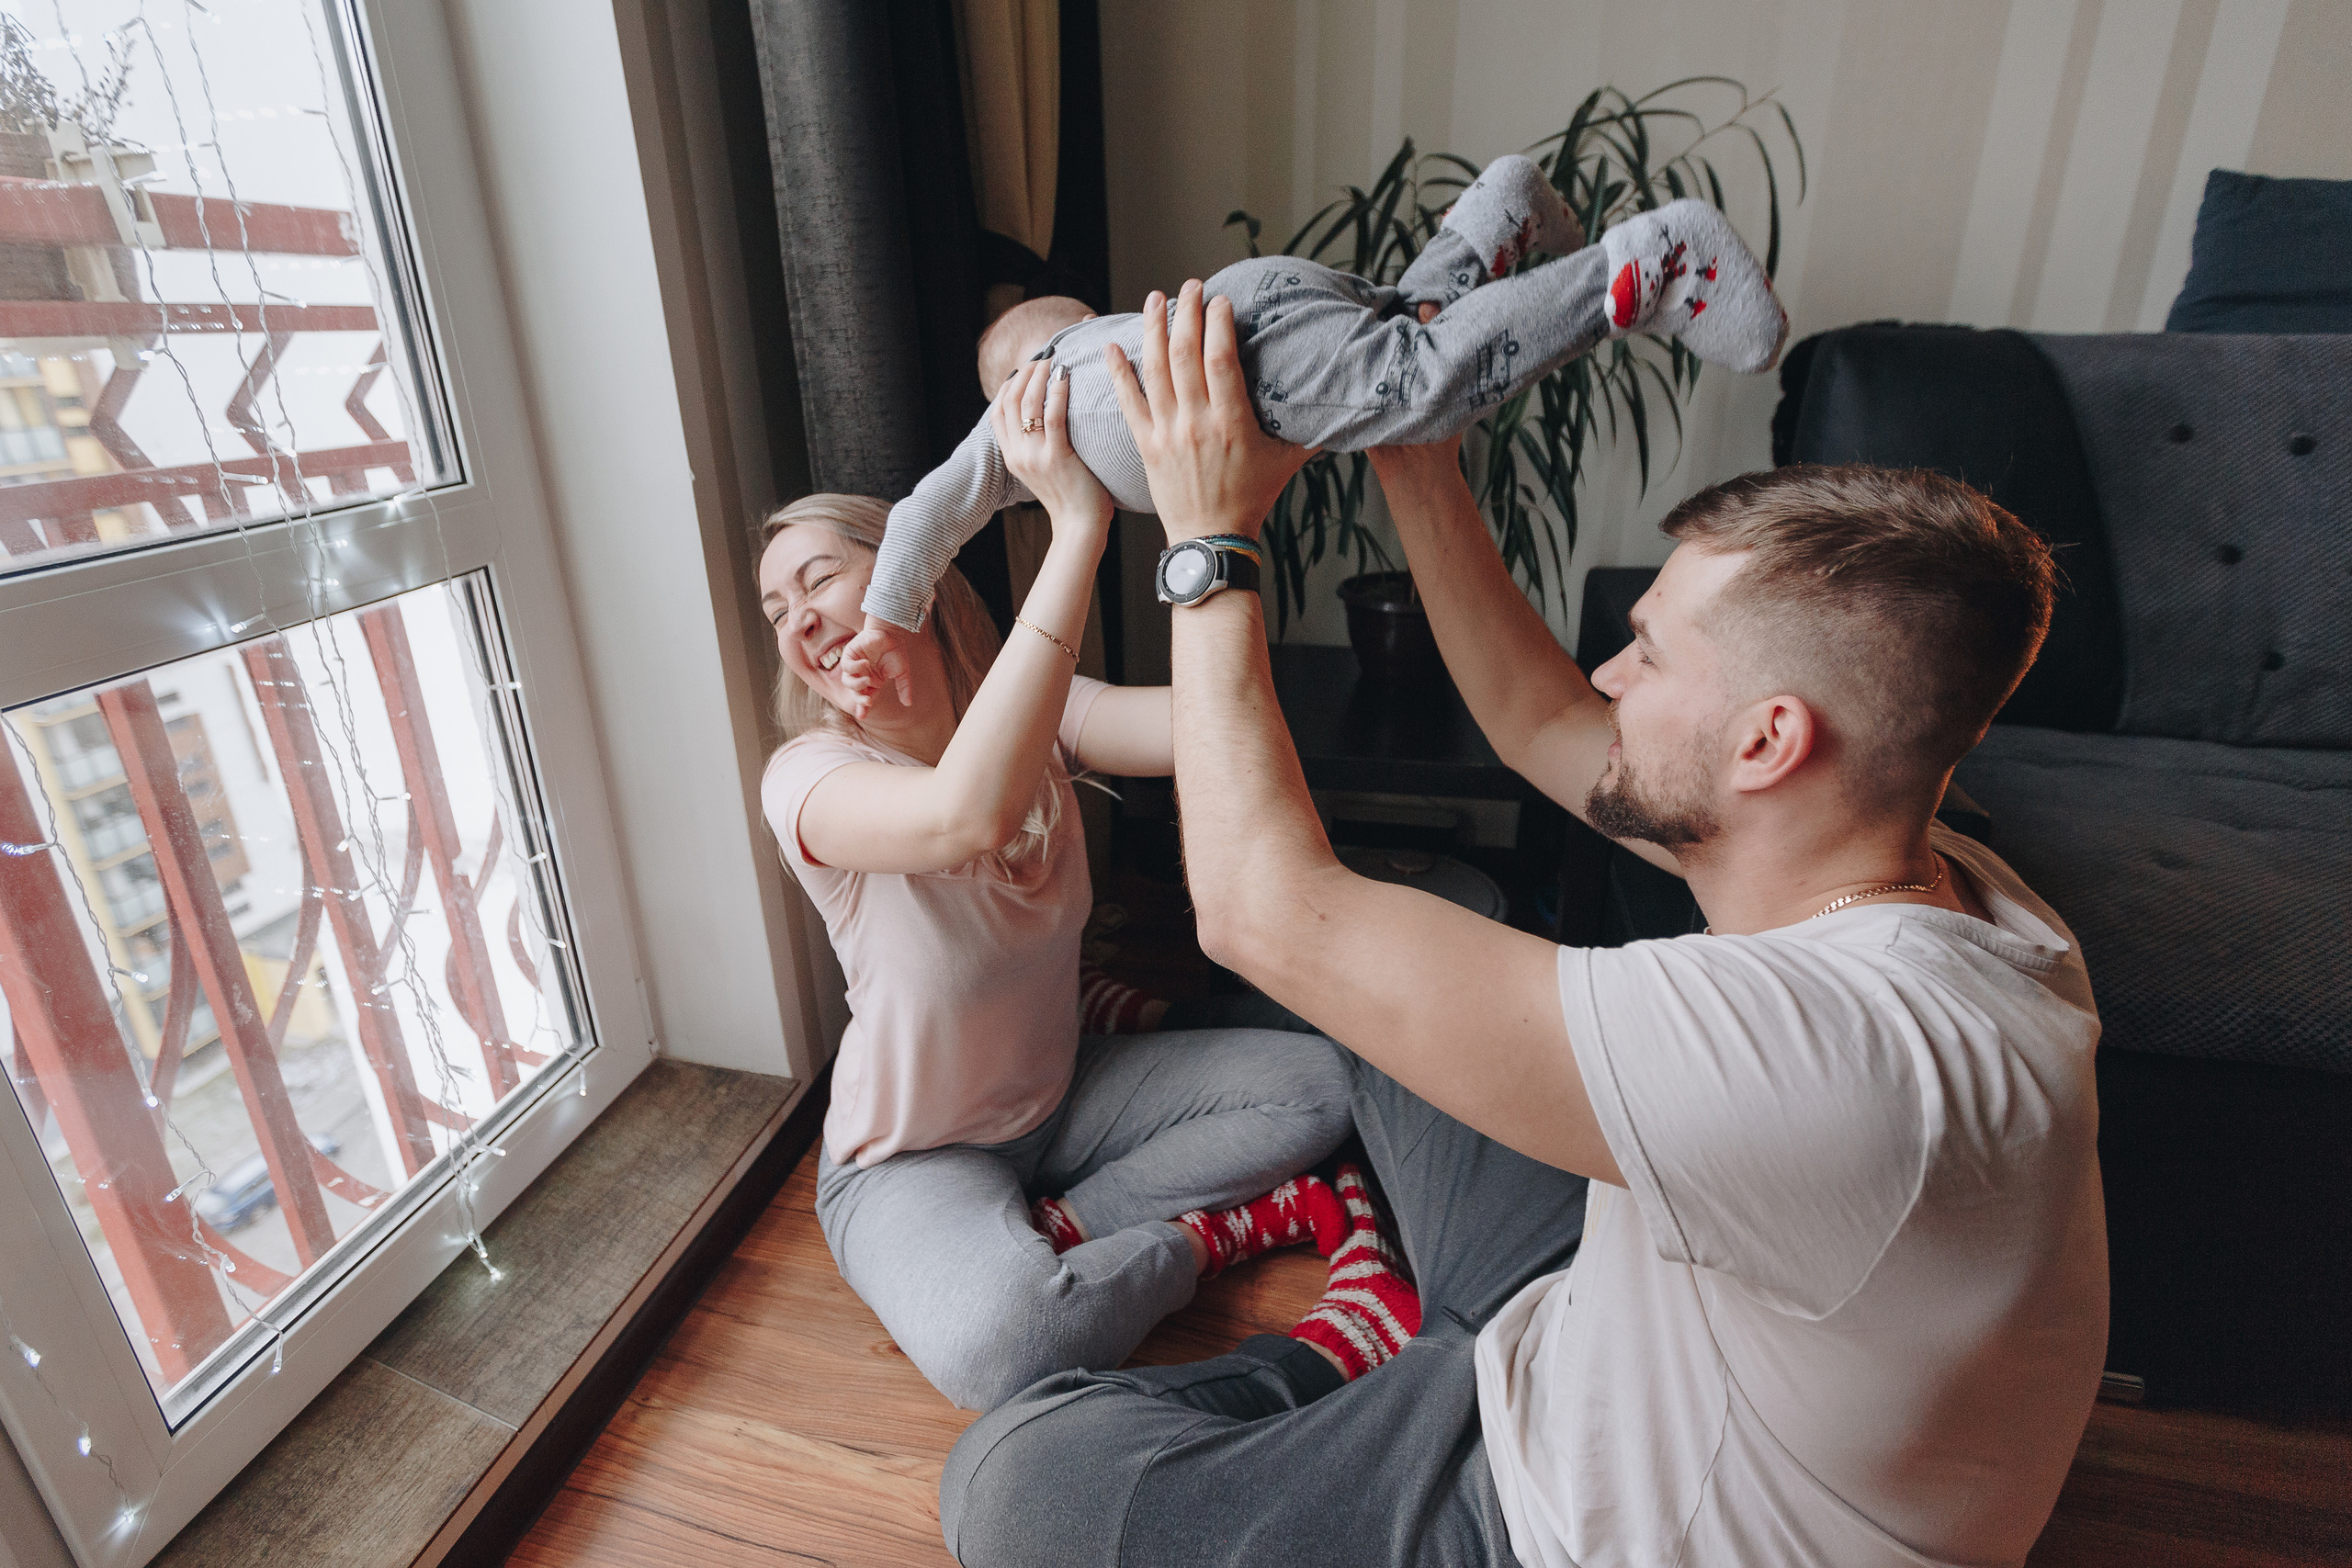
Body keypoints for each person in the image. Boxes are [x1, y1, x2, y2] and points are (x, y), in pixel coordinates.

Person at [935, 284, 2108, 1566]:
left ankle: (1360, 1356)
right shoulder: (1952, 883)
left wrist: (1212, 538)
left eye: (1648, 652)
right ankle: (1412, 1342)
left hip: (1574, 1528)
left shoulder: (1830, 1055)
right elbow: (1545, 724)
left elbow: (1259, 914)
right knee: (1422, 957)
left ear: (1771, 741)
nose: (1609, 672)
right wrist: (1415, 452)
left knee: (1018, 1476)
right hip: (1607, 1327)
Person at [757, 358, 1357, 1412]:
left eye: (815, 579)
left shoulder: (1034, 708)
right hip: (913, 1154)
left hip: (1060, 1092)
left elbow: (1213, 719)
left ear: (911, 564)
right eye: (773, 610)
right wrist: (1076, 526)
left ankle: (1070, 1224)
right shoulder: (808, 777)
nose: (794, 617)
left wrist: (1215, 519)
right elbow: (963, 814)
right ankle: (1198, 1238)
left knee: (1318, 1085)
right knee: (1010, 1347)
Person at [841, 157, 1789, 714]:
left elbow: (925, 510)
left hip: (1250, 365)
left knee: (1422, 385)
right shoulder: (1099, 347)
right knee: (1414, 328)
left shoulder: (1015, 420)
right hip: (1250, 294)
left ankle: (1646, 265)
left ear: (1009, 379)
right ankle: (1494, 210)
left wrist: (887, 617)